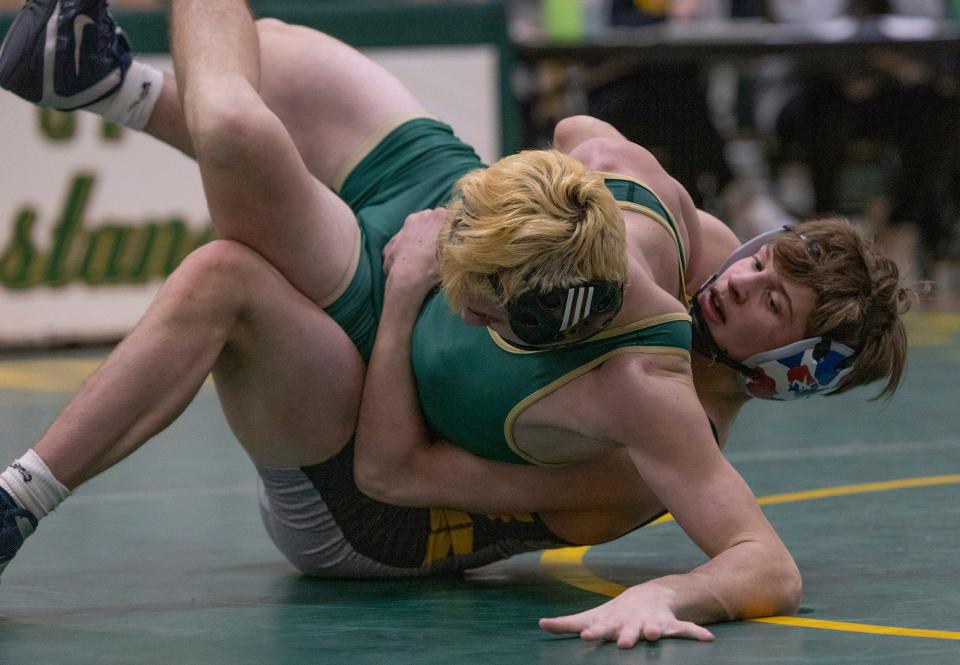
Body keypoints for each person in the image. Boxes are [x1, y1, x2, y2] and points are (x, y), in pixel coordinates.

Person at [0, 0, 910, 648]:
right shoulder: (664, 214)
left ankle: (16, 503)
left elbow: (392, 470)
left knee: (226, 249)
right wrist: (524, 212)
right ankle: (105, 79)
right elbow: (578, 128)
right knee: (273, 61)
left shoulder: (654, 410)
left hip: (372, 476)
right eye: (759, 264)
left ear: (789, 370)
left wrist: (670, 587)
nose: (740, 283)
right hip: (454, 243)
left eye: (770, 306)